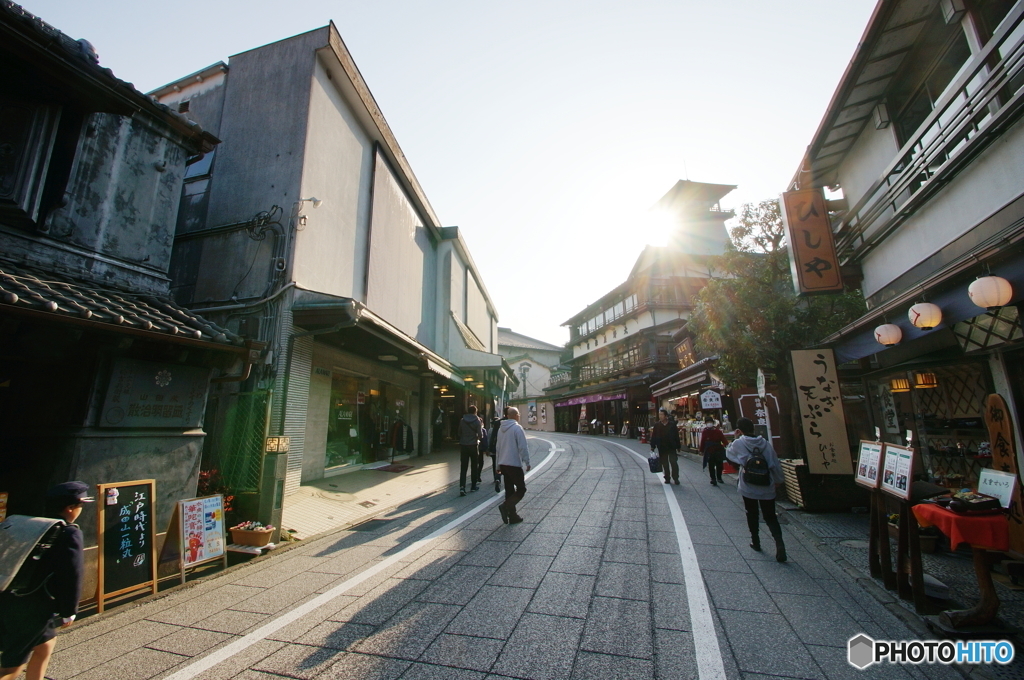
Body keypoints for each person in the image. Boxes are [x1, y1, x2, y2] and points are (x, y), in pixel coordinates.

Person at [0, 482, 90, 680]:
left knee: (45, 646)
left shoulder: (27, 523)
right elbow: (72, 574)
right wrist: (69, 611)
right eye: (81, 506)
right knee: (12, 666)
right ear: (70, 508)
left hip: (10, 596)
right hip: (32, 607)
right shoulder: (69, 532)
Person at [726, 418, 787, 562]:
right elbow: (774, 464)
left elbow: (729, 455)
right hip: (766, 484)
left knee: (751, 513)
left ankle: (756, 541)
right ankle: (779, 543)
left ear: (739, 430)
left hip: (748, 485)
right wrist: (778, 481)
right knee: (770, 516)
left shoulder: (739, 443)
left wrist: (735, 439)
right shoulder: (765, 444)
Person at [496, 406, 531, 524]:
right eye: (519, 415)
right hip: (513, 463)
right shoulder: (517, 428)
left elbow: (498, 448)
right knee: (521, 489)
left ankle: (512, 516)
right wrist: (527, 462)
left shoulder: (501, 429)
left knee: (509, 489)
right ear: (516, 416)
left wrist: (497, 465)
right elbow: (523, 447)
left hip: (504, 464)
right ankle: (506, 506)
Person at [458, 405, 485, 495]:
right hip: (473, 445)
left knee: (463, 467)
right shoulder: (477, 421)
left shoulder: (462, 420)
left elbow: (459, 432)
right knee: (474, 466)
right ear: (475, 412)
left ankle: (462, 487)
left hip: (464, 445)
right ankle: (473, 486)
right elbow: (481, 435)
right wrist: (476, 437)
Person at [649, 408, 681, 485]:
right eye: (659, 414)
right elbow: (654, 436)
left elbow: (676, 436)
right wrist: (652, 446)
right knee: (664, 463)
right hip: (662, 446)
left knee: (673, 462)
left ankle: (676, 478)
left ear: (666, 416)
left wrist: (678, 446)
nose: (660, 416)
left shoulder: (672, 424)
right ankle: (667, 478)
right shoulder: (657, 425)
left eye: (662, 414)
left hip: (671, 446)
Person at [700, 416, 728, 486]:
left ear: (713, 423)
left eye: (710, 422)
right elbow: (703, 441)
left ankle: (719, 477)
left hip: (718, 450)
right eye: (707, 422)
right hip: (709, 451)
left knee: (719, 464)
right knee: (711, 465)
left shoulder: (718, 431)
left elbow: (723, 439)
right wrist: (701, 450)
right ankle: (713, 479)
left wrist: (727, 445)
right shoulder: (705, 432)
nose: (709, 424)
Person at [486, 407, 510, 493]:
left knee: (497, 463)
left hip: (498, 446)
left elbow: (493, 436)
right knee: (508, 463)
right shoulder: (513, 423)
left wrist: (490, 447)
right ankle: (508, 480)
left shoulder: (498, 422)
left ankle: (497, 478)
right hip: (508, 447)